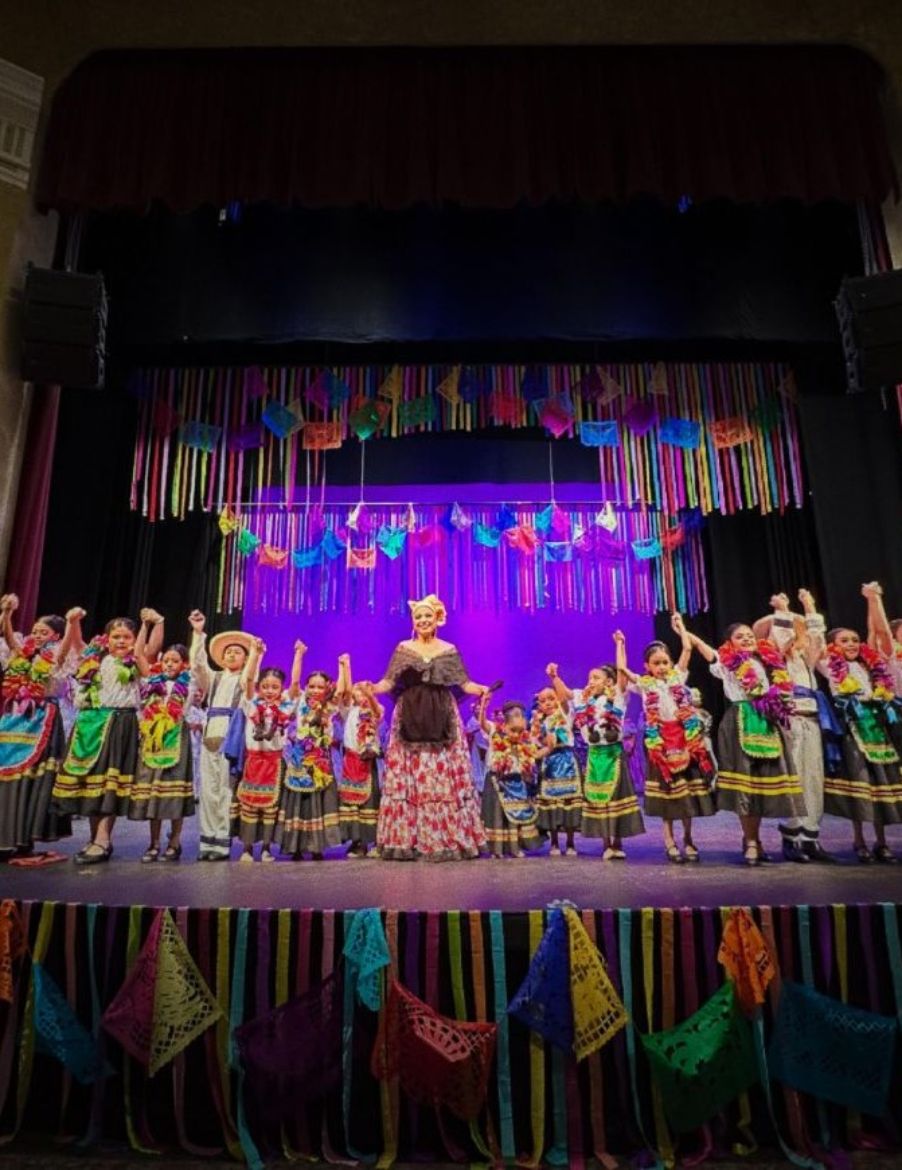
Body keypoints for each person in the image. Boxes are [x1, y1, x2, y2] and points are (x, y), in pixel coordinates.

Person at [365, 594, 489, 861]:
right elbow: (387, 682)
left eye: (427, 616)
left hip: (441, 714)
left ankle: (444, 838)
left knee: (440, 776)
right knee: (410, 775)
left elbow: (465, 684)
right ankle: (407, 839)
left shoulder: (448, 649)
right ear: (413, 621)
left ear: (437, 620)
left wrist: (481, 689)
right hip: (409, 713)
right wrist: (370, 688)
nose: (422, 620)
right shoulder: (403, 648)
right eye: (418, 616)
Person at [682, 618, 804, 866]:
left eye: (749, 635)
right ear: (730, 643)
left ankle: (756, 840)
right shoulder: (727, 663)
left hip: (766, 722)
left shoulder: (766, 661)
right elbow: (704, 649)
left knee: (760, 785)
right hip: (740, 722)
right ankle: (749, 840)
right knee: (745, 786)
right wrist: (685, 633)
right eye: (740, 636)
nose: (747, 639)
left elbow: (787, 642)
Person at [52, 608, 162, 864]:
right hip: (90, 723)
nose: (121, 641)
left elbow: (152, 647)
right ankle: (95, 838)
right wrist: (74, 621)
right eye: (116, 636)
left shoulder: (134, 662)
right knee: (91, 784)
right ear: (106, 638)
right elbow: (78, 644)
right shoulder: (95, 659)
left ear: (134, 641)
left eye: (126, 637)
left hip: (118, 723)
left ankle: (103, 839)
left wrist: (155, 623)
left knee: (108, 785)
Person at [621, 615, 715, 863]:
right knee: (668, 795)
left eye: (665, 662)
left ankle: (688, 839)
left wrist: (681, 628)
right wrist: (620, 644)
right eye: (656, 663)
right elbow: (621, 669)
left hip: (683, 739)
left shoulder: (677, 678)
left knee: (687, 795)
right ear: (647, 667)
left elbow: (686, 648)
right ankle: (669, 840)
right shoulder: (643, 684)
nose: (662, 667)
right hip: (660, 742)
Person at [753, 590, 838, 863]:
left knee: (813, 777)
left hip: (812, 718)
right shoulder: (773, 660)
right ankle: (791, 838)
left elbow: (815, 637)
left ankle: (811, 836)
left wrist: (809, 605)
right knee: (795, 777)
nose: (796, 636)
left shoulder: (805, 660)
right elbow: (778, 635)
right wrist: (783, 610)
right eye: (792, 630)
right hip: (790, 720)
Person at [818, 593, 902, 863]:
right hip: (852, 730)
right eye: (844, 641)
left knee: (879, 783)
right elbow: (817, 643)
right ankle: (859, 839)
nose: (852, 644)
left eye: (854, 640)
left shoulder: (871, 665)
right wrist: (810, 609)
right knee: (860, 783)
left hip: (877, 728)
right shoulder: (830, 665)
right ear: (832, 646)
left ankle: (881, 841)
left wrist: (872, 601)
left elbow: (875, 633)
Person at [548, 636, 645, 860]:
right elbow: (564, 695)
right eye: (589, 677)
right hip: (595, 754)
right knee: (599, 798)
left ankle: (617, 843)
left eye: (596, 677)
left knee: (615, 799)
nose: (590, 680)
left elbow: (621, 673)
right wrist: (554, 677)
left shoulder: (618, 697)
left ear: (609, 682)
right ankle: (606, 844)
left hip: (614, 752)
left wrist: (620, 645)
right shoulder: (583, 699)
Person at [0, 594, 77, 855]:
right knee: (8, 773)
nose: (37, 634)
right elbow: (12, 642)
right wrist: (8, 615)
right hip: (14, 720)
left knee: (33, 777)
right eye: (35, 631)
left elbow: (65, 649)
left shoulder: (55, 657)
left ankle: (24, 836)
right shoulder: (24, 654)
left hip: (43, 717)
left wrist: (70, 624)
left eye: (44, 632)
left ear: (54, 636)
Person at [189, 610, 255, 861]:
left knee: (226, 789)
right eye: (228, 652)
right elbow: (197, 664)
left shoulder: (244, 681)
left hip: (232, 733)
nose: (231, 654)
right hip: (210, 733)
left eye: (237, 652)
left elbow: (250, 676)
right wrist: (198, 633)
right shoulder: (215, 678)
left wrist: (254, 656)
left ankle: (222, 840)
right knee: (208, 789)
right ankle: (207, 841)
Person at [129, 631, 197, 863]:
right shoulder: (152, 680)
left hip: (176, 736)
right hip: (153, 739)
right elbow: (138, 656)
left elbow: (185, 707)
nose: (169, 664)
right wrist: (148, 625)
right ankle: (154, 842)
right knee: (153, 793)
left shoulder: (189, 682)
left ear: (184, 664)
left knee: (174, 793)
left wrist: (196, 633)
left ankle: (175, 842)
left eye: (175, 661)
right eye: (166, 660)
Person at [275, 642, 342, 859]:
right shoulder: (300, 701)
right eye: (311, 686)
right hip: (298, 760)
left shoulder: (328, 707)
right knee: (298, 803)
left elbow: (341, 691)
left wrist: (343, 666)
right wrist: (299, 654)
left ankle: (316, 847)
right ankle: (295, 846)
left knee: (317, 803)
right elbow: (294, 681)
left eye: (320, 687)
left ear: (326, 690)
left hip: (319, 762)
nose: (315, 690)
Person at [234, 640, 295, 863]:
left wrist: (298, 655)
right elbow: (249, 680)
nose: (269, 691)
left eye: (275, 687)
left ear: (281, 689)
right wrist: (255, 655)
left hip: (274, 762)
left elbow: (296, 684)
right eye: (265, 686)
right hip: (254, 761)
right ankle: (247, 849)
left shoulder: (286, 707)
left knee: (271, 808)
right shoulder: (252, 704)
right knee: (249, 805)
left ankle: (267, 848)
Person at [477, 694, 543, 857]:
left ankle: (515, 848)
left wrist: (547, 749)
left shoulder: (524, 741)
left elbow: (533, 755)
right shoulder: (494, 732)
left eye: (520, 731)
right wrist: (484, 706)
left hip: (516, 782)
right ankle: (497, 850)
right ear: (504, 725)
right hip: (497, 781)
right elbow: (482, 724)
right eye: (512, 730)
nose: (516, 735)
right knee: (498, 816)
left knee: (515, 817)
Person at [335, 652, 383, 857]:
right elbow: (344, 692)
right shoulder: (349, 710)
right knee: (350, 803)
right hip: (350, 760)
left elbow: (377, 710)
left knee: (368, 802)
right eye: (358, 691)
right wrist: (345, 666)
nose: (360, 694)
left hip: (366, 761)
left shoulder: (373, 710)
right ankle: (355, 842)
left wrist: (370, 695)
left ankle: (369, 842)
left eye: (364, 691)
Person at [532, 681, 582, 855]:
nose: (548, 703)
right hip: (549, 762)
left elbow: (564, 698)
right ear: (539, 705)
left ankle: (570, 843)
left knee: (569, 802)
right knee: (551, 804)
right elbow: (537, 743)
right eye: (543, 700)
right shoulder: (538, 722)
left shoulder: (565, 714)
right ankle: (554, 843)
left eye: (551, 699)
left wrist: (554, 677)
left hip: (566, 760)